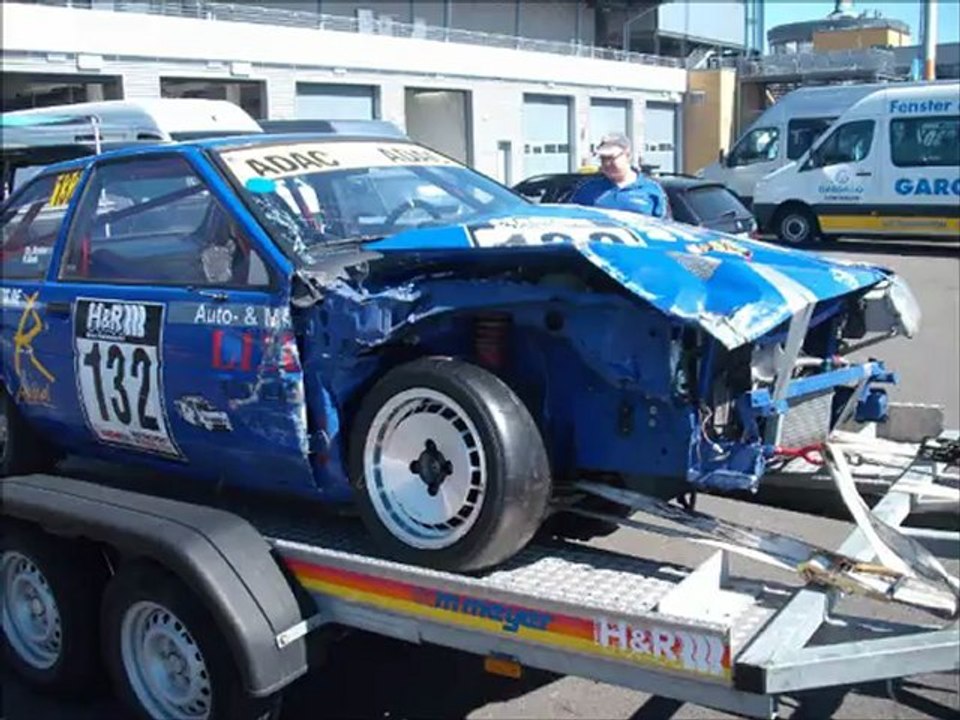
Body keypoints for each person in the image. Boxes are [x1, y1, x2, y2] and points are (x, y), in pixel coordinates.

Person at [568, 132, 669, 218]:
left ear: (628, 156)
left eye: (611, 158)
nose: (607, 164)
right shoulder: (587, 189)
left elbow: (666, 227)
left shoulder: (652, 189)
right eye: (603, 159)